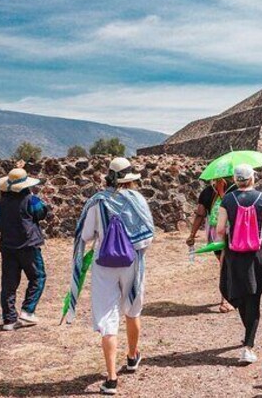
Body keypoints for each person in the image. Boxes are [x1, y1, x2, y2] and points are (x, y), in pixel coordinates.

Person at [69, 157, 154, 395]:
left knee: (108, 318)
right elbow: (148, 236)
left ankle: (111, 377)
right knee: (132, 309)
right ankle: (131, 356)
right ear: (130, 179)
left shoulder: (97, 202)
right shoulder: (138, 201)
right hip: (133, 263)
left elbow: (85, 235)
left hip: (103, 264)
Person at [216, 164, 262, 364]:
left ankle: (248, 338)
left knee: (242, 296)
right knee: (254, 299)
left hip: (235, 254)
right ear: (252, 178)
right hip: (258, 254)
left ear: (235, 180)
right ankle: (248, 347)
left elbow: (219, 230)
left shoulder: (227, 199)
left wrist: (224, 249)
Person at [0, 162, 49, 330]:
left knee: (9, 284)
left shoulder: (0, 203)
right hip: (28, 246)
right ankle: (27, 311)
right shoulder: (31, 200)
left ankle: (9, 319)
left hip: (8, 246)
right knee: (38, 277)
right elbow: (42, 213)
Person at [186, 178, 234, 312]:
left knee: (226, 264)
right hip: (225, 234)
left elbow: (200, 215)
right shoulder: (234, 190)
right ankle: (227, 297)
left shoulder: (210, 192)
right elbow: (200, 214)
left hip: (220, 235)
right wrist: (192, 234)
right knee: (226, 264)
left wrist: (192, 234)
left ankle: (228, 297)